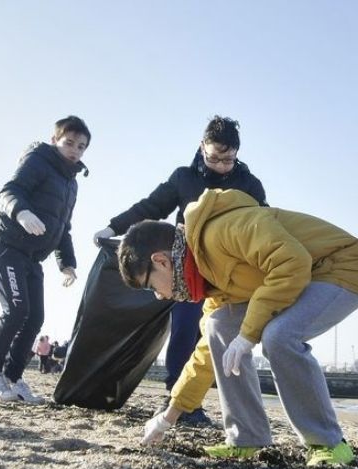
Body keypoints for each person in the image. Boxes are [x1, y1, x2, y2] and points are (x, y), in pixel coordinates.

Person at [116, 188, 358, 466]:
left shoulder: (225, 230)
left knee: (279, 336)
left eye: (150, 285)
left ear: (162, 261)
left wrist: (248, 334)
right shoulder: (210, 281)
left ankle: (329, 444)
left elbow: (292, 262)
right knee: (218, 326)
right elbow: (206, 354)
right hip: (302, 277)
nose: (159, 295)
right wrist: (169, 416)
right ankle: (246, 438)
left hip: (342, 266)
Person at [93, 116, 266, 426]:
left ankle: (217, 406)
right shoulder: (184, 178)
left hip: (230, 274)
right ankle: (179, 398)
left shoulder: (250, 186)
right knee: (186, 330)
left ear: (237, 154)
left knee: (220, 334)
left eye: (228, 159)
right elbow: (150, 207)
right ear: (202, 148)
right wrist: (113, 227)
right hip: (186, 272)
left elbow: (264, 225)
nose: (221, 166)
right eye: (214, 157)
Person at [0, 116, 91, 403]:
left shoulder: (71, 183)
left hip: (33, 258)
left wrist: (67, 263)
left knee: (35, 317)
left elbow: (63, 227)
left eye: (81, 146)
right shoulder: (38, 160)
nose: (75, 150)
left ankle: (13, 379)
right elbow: (9, 191)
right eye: (69, 143)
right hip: (8, 246)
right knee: (16, 310)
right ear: (55, 140)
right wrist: (22, 213)